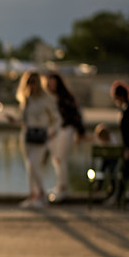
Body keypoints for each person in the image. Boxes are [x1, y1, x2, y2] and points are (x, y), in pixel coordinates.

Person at [7, 71, 61, 209]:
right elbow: (23, 119)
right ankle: (33, 195)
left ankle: (42, 194)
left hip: (41, 136)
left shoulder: (46, 99)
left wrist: (52, 132)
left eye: (33, 81)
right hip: (27, 135)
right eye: (29, 82)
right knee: (29, 167)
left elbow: (56, 119)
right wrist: (14, 120)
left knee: (34, 164)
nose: (31, 85)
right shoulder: (26, 99)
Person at [45, 72, 86, 203]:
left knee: (60, 158)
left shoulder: (65, 97)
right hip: (53, 131)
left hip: (65, 129)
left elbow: (75, 114)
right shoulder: (48, 97)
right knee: (55, 159)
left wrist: (80, 132)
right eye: (49, 82)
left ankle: (63, 188)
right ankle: (59, 185)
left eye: (53, 82)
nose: (51, 85)